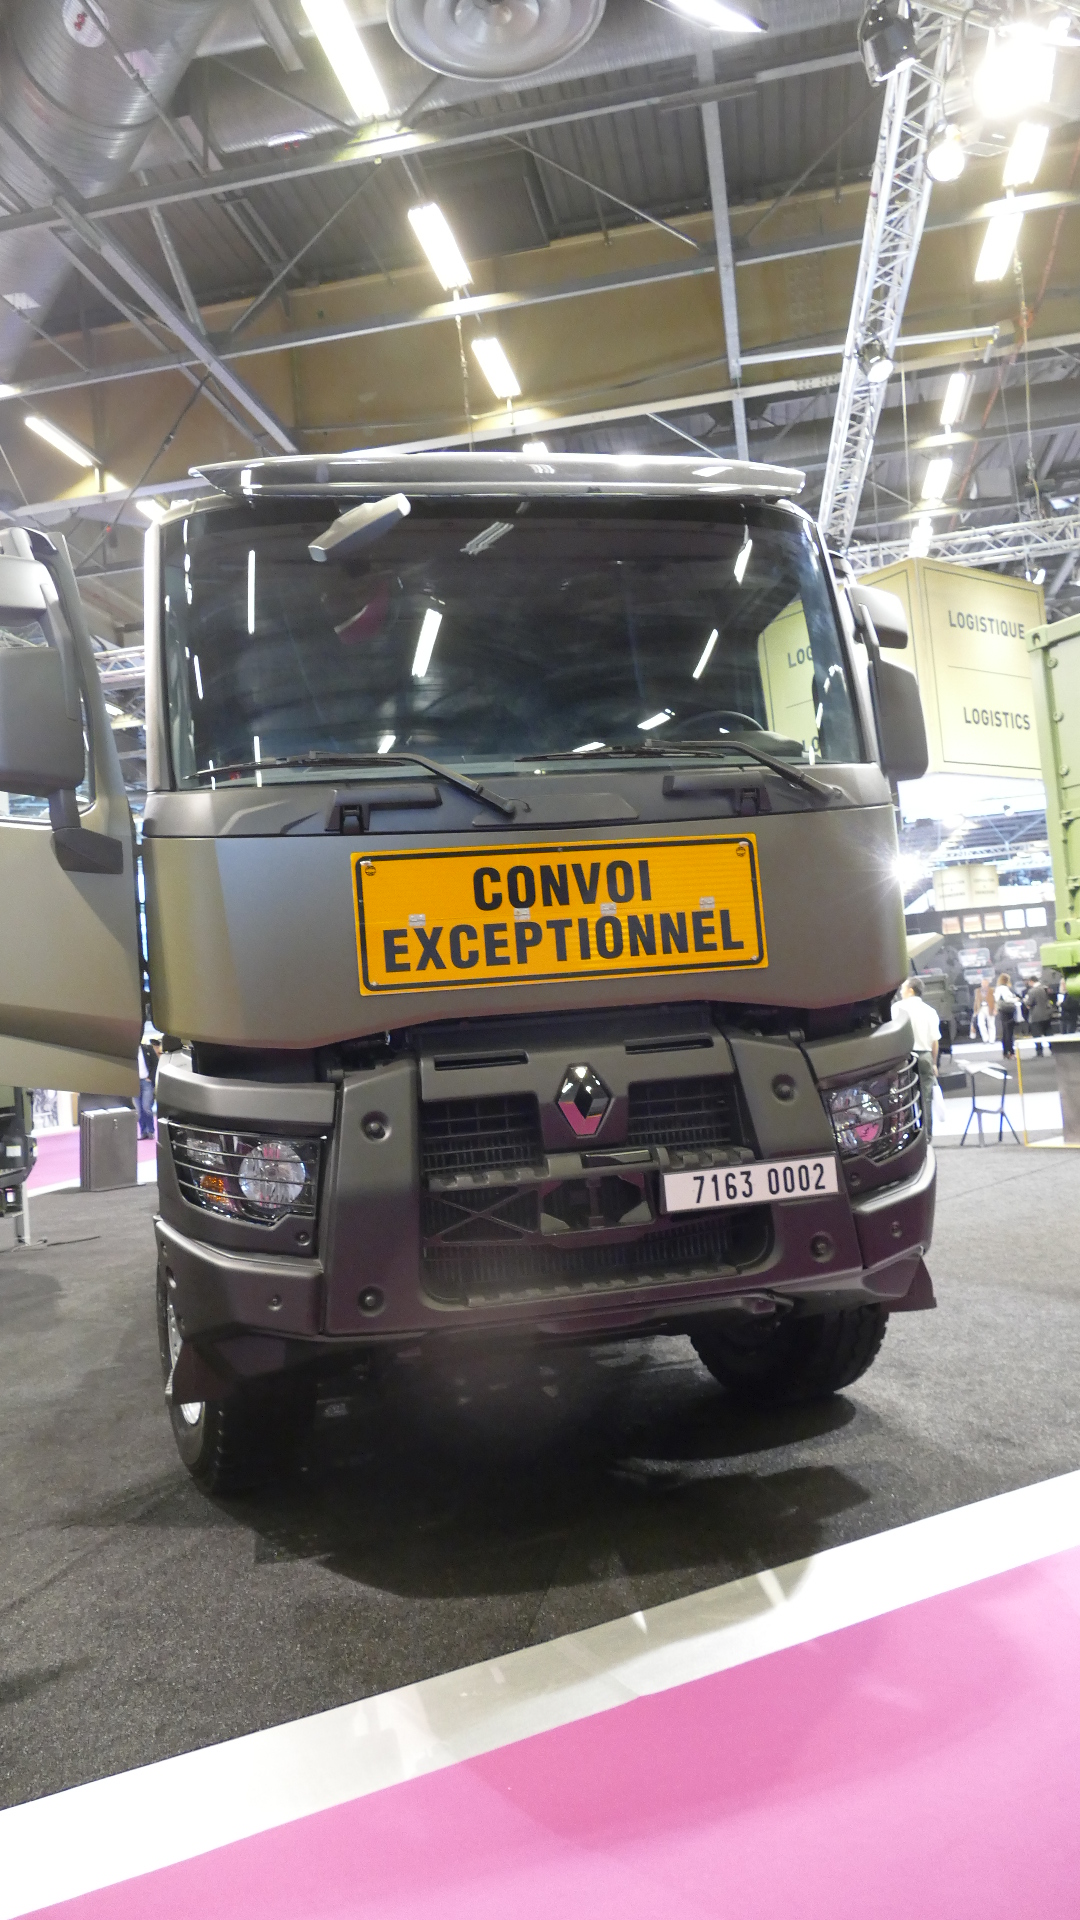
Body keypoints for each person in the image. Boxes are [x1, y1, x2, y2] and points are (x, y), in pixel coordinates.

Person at [900, 977, 940, 1137]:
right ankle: (927, 1135)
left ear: (910, 990)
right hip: (925, 1056)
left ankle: (909, 1135)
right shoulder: (930, 1011)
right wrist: (934, 1063)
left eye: (903, 988)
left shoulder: (897, 1009)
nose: (901, 991)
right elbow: (935, 1041)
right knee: (926, 1097)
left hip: (905, 1058)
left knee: (905, 1098)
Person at [137, 1022, 161, 1140]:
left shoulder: (147, 1049)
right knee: (139, 1110)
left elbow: (155, 1064)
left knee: (146, 1107)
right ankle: (143, 1131)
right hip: (134, 1084)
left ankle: (151, 1130)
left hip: (146, 1082)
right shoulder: (128, 1052)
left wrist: (150, 1077)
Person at [1023, 975, 1053, 1057]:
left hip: (1036, 1016)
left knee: (1037, 1035)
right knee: (1049, 1033)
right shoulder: (1045, 988)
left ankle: (1039, 1052)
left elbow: (1029, 1004)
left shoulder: (1032, 991)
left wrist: (1025, 1001)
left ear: (1031, 981)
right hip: (1047, 1014)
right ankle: (1053, 1049)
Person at [995, 972, 1019, 1060]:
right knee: (1009, 1033)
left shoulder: (998, 988)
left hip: (1002, 1012)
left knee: (1005, 1033)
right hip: (1008, 1012)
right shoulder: (1004, 988)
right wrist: (1015, 999)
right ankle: (1011, 1052)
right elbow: (1007, 999)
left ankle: (1005, 1052)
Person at [975, 975, 996, 1045]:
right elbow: (976, 1001)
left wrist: (995, 1009)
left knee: (991, 1024)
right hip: (981, 1008)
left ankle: (992, 1039)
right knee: (980, 1023)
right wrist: (975, 1010)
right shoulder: (978, 991)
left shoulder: (992, 990)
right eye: (983, 983)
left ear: (988, 983)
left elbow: (995, 1000)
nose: (984, 984)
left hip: (989, 1007)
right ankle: (985, 1038)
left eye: (985, 983)